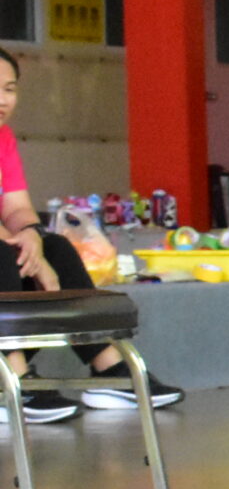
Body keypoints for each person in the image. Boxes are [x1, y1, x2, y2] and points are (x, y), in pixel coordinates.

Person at [0, 47, 183, 423]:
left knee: (57, 249)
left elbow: (17, 208)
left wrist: (32, 237)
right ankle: (11, 381)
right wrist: (20, 246)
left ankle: (108, 369)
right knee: (4, 253)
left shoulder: (4, 139)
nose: (3, 100)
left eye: (10, 89)